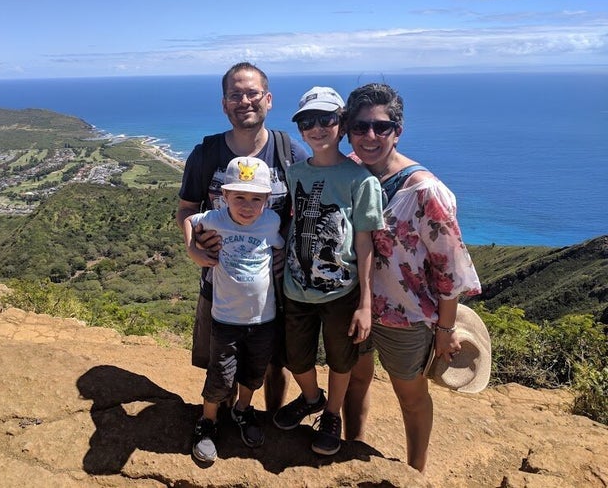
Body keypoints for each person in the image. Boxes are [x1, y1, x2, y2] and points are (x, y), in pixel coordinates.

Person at [341, 83, 481, 472]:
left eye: (381, 127)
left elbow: (449, 268)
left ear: (397, 131)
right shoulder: (348, 172)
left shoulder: (423, 191)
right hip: (354, 306)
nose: (370, 136)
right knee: (355, 380)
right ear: (348, 129)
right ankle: (354, 454)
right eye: (360, 126)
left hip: (408, 316)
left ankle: (415, 472)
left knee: (410, 394)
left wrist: (446, 328)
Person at [176, 62, 309, 411]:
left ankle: (266, 419)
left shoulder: (290, 153)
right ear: (224, 104)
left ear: (268, 99)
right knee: (223, 362)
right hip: (220, 282)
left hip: (276, 287)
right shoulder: (206, 154)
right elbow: (187, 208)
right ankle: (220, 421)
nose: (244, 101)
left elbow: (312, 211)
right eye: (235, 95)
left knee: (272, 360)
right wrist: (192, 246)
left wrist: (288, 246)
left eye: (252, 93)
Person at [272, 87, 384, 456]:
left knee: (341, 358)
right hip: (296, 288)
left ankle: (332, 414)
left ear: (342, 124)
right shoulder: (295, 173)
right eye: (307, 121)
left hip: (342, 291)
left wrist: (365, 303)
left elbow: (366, 243)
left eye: (326, 119)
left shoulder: (361, 180)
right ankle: (311, 397)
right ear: (300, 129)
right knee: (296, 358)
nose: (316, 128)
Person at [183, 156, 285, 464]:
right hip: (225, 319)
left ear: (267, 200)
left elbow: (278, 246)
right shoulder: (214, 219)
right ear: (224, 197)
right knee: (220, 375)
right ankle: (208, 421)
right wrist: (193, 248)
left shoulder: (271, 222)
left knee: (253, 373)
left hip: (263, 319)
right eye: (239, 196)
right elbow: (189, 219)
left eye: (256, 198)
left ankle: (242, 410)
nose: (247, 205)